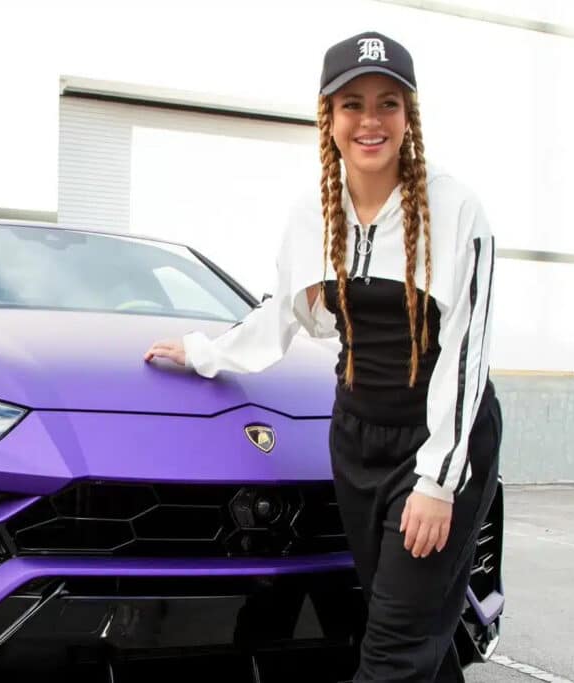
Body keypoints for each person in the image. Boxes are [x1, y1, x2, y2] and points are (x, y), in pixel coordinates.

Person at [144, 30, 501, 683]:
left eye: (388, 103)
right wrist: (202, 352)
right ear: (328, 118)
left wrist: (437, 482)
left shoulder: (455, 209)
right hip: (357, 441)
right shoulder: (312, 214)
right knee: (411, 625)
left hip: (439, 444)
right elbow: (280, 317)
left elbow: (467, 352)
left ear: (409, 116)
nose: (370, 121)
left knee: (393, 647)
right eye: (352, 104)